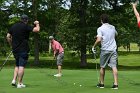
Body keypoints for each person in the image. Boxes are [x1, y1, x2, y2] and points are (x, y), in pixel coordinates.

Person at [6, 14, 40, 88]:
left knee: (17, 65)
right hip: (23, 49)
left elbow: (8, 36)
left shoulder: (14, 26)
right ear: (26, 20)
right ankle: (19, 83)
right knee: (21, 66)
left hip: (15, 49)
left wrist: (11, 44)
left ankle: (14, 80)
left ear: (21, 19)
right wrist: (37, 23)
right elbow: (37, 30)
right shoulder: (25, 26)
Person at [92, 14, 118, 89]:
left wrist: (93, 46)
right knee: (114, 66)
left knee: (102, 67)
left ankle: (102, 84)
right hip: (113, 49)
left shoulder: (100, 28)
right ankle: (116, 84)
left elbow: (99, 40)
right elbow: (116, 34)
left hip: (105, 50)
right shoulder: (113, 27)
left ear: (101, 20)